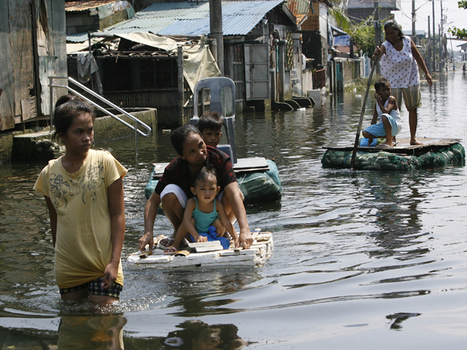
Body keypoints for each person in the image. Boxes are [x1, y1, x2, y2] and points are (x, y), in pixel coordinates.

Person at [34, 95, 126, 305]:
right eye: (79, 132)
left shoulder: (105, 163)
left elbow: (118, 215)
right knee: (74, 329)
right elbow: (55, 222)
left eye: (90, 130)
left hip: (103, 263)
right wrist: (59, 260)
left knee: (104, 326)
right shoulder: (49, 174)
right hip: (69, 266)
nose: (87, 137)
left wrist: (114, 261)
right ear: (62, 136)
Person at [139, 124, 252, 252]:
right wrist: (148, 232)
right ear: (182, 155)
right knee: (168, 193)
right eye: (192, 151)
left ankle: (222, 231)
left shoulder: (220, 159)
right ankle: (181, 234)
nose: (200, 152)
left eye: (201, 145)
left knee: (236, 192)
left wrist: (244, 229)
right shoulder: (174, 168)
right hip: (189, 219)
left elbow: (234, 195)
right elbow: (153, 200)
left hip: (217, 216)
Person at [374, 20, 433, 145]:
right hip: (393, 80)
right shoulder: (386, 45)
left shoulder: (407, 41)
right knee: (394, 109)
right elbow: (376, 58)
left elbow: (417, 57)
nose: (391, 36)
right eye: (388, 33)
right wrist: (376, 54)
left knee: (412, 108)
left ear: (398, 31)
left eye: (393, 33)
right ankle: (392, 138)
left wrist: (426, 73)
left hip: (410, 78)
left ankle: (413, 138)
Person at [169, 166, 239, 251]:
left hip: (213, 234)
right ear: (194, 191)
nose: (207, 193)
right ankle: (175, 245)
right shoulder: (192, 203)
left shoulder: (217, 205)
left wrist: (235, 237)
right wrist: (196, 235)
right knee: (189, 221)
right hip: (194, 234)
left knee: (219, 222)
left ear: (217, 190)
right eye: (202, 189)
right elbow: (186, 221)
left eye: (212, 189)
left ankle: (214, 241)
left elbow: (226, 222)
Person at [360, 78, 401, 148]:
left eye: (388, 89)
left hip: (395, 126)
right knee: (365, 133)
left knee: (384, 116)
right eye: (383, 90)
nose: (387, 92)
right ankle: (390, 137)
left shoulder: (391, 99)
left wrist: (379, 101)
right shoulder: (376, 105)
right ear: (378, 92)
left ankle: (389, 141)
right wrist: (370, 141)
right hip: (384, 127)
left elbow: (386, 112)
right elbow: (374, 120)